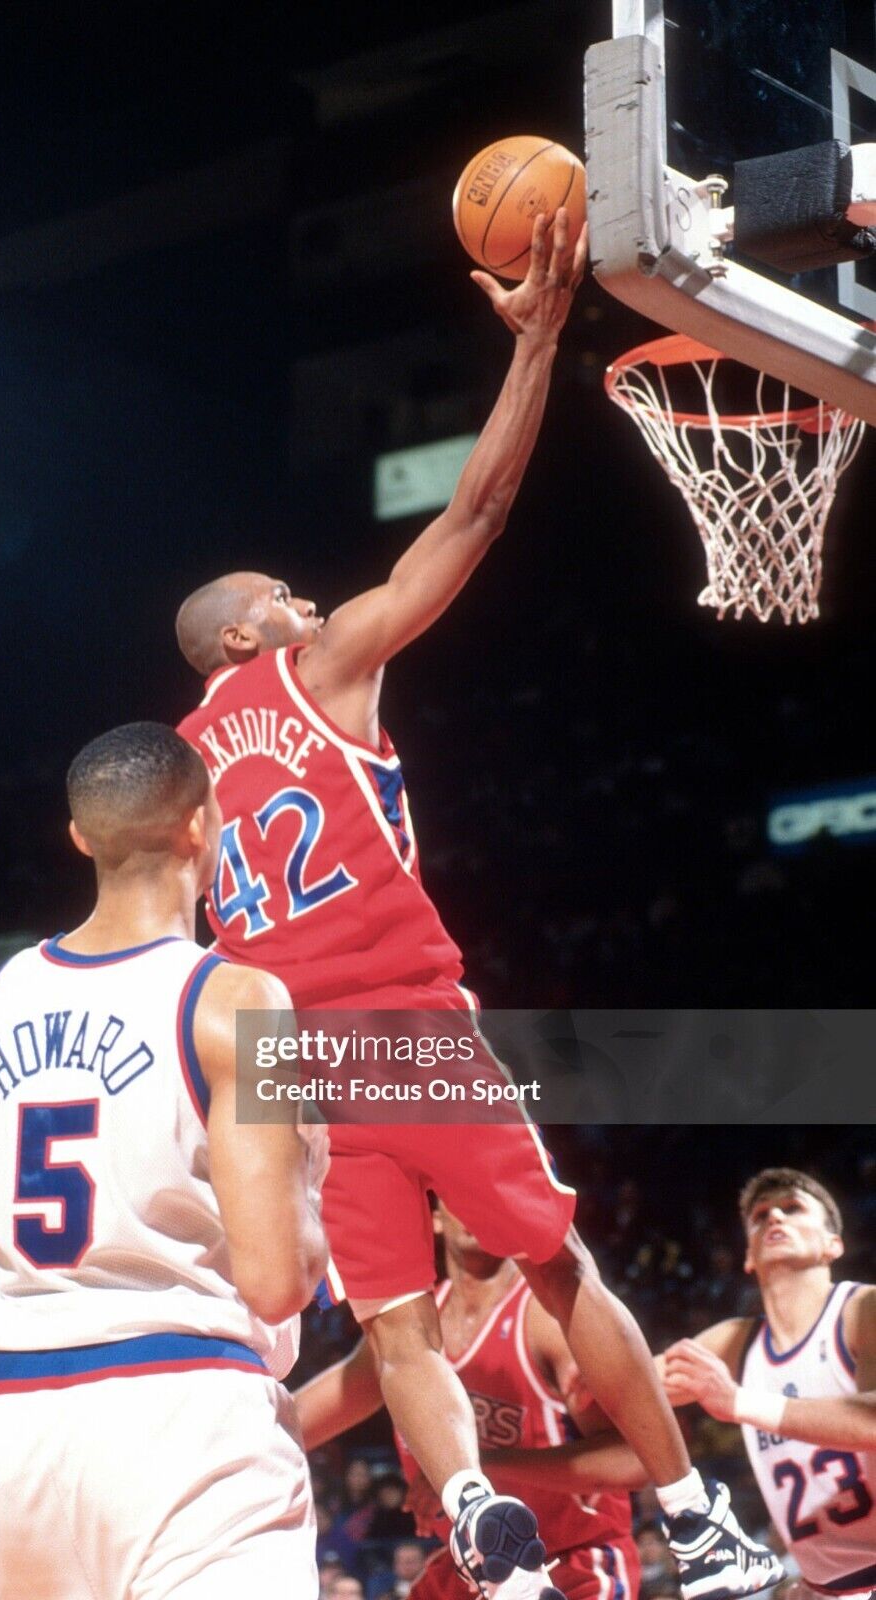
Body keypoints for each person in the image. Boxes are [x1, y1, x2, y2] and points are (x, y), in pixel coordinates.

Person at [174, 210, 780, 1600]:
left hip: (289, 1071)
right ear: (251, 636)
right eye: (286, 595)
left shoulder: (172, 782)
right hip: (396, 1022)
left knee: (393, 1327)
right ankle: (692, 1516)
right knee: (558, 1265)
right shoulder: (314, 673)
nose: (307, 596)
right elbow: (475, 515)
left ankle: (472, 1529)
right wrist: (536, 344)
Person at [0, 722, 329, 1600]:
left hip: (9, 1424)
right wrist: (308, 1173)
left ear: (80, 838)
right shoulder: (239, 1000)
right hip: (182, 1411)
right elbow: (276, 1282)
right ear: (200, 825)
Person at [480, 1170, 876, 1600]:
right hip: (835, 1587)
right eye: (761, 1216)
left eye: (793, 1208)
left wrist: (737, 1401)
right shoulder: (735, 1342)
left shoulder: (862, 1310)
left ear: (833, 1244)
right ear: (748, 1256)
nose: (775, 1217)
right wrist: (573, 1372)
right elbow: (624, 1389)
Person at [294, 1201, 641, 1600]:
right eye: (458, 1195)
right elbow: (297, 1422)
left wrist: (471, 1475)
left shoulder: (545, 1317)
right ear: (437, 1219)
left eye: (479, 1192)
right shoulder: (405, 1330)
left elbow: (632, 1459)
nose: (477, 1207)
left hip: (568, 1560)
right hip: (468, 1571)